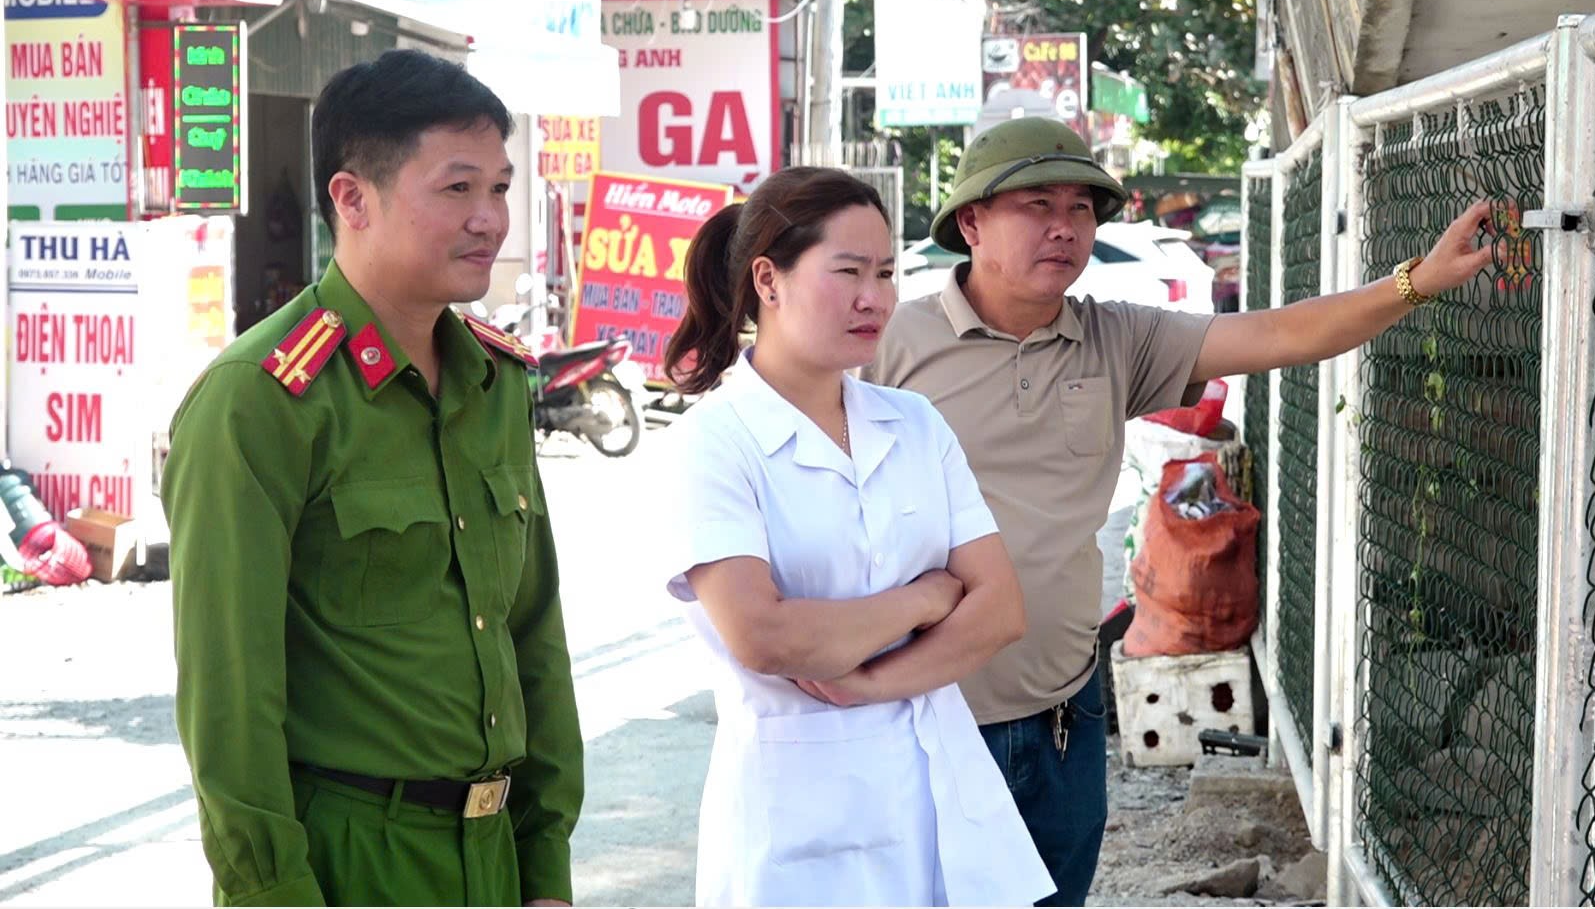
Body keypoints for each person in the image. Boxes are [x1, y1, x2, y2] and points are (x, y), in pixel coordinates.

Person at [863, 116, 1497, 906]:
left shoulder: (1114, 337)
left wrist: (1416, 281)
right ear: (971, 221)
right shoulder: (887, 345)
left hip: (1063, 713)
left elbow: (1279, 334)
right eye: (1035, 205)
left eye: (1081, 208)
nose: (1063, 227)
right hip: (924, 716)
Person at [161, 49, 582, 907]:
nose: (490, 220)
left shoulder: (496, 381)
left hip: (494, 855)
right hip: (350, 859)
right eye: (457, 188)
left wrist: (544, 865)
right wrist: (272, 894)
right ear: (352, 198)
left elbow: (532, 633)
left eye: (500, 188)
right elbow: (229, 698)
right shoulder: (261, 400)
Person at [661, 166, 1055, 907]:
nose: (874, 297)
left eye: (885, 272)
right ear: (768, 281)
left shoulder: (913, 423)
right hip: (800, 820)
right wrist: (927, 597)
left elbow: (1000, 611)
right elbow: (766, 637)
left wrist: (868, 678)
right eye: (847, 272)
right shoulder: (714, 442)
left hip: (941, 791)